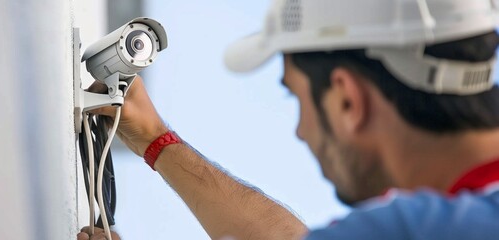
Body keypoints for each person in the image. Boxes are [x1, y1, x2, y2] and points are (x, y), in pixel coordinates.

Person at [78, 0, 499, 239]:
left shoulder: (415, 231)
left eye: (295, 95)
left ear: (347, 101)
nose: (300, 131)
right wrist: (156, 140)